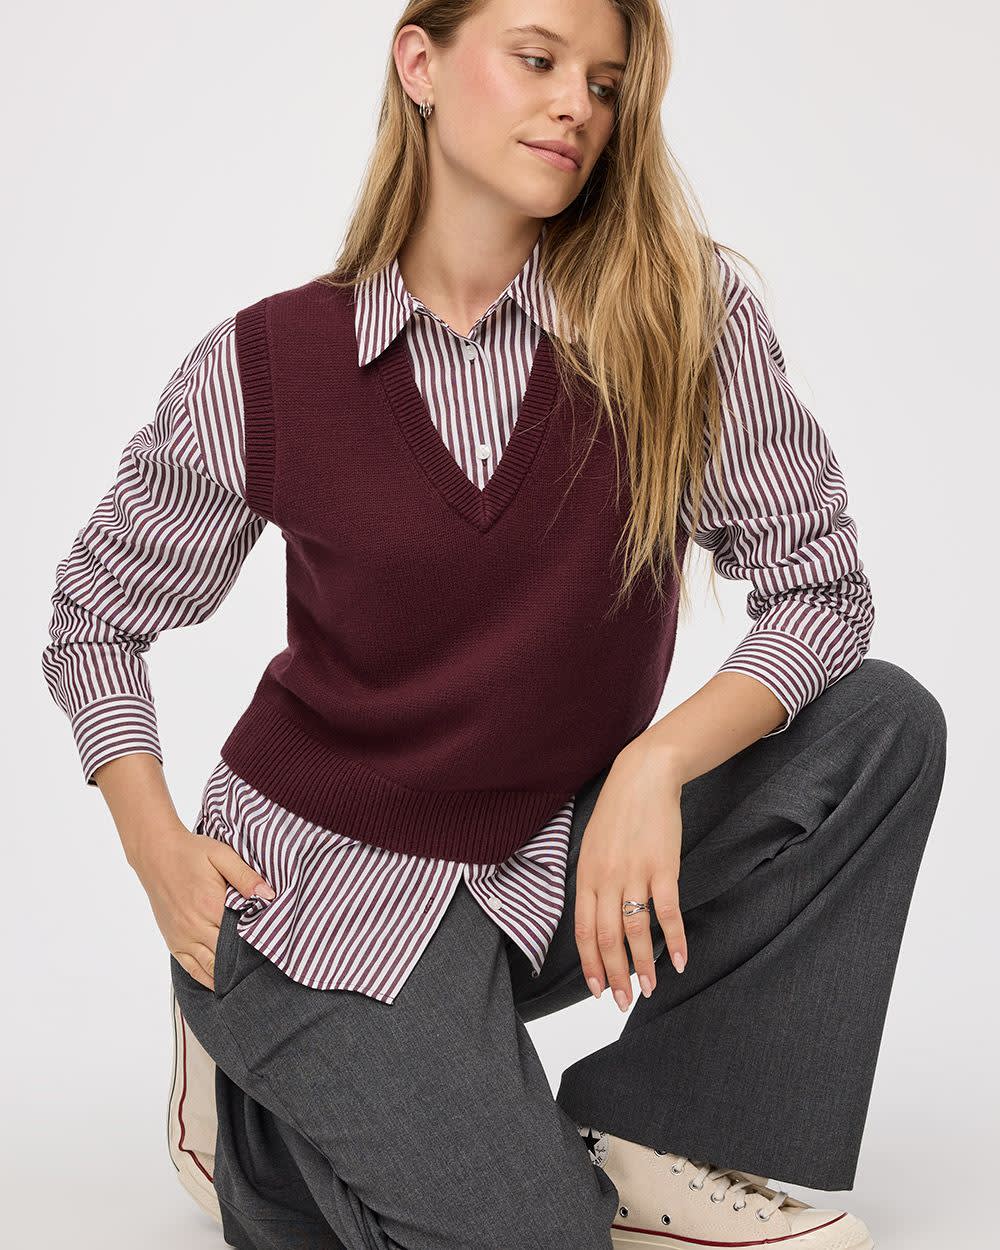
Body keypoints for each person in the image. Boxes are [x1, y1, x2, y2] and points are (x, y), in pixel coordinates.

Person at [42, 2, 947, 1248]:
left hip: (551, 855)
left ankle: (656, 1134)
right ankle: (248, 1123)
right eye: (536, 58)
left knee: (878, 726)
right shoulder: (266, 365)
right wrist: (156, 849)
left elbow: (820, 588)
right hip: (315, 888)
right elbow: (94, 614)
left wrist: (656, 763)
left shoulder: (680, 321)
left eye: (605, 83)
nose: (577, 103)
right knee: (536, 1235)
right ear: (420, 62)